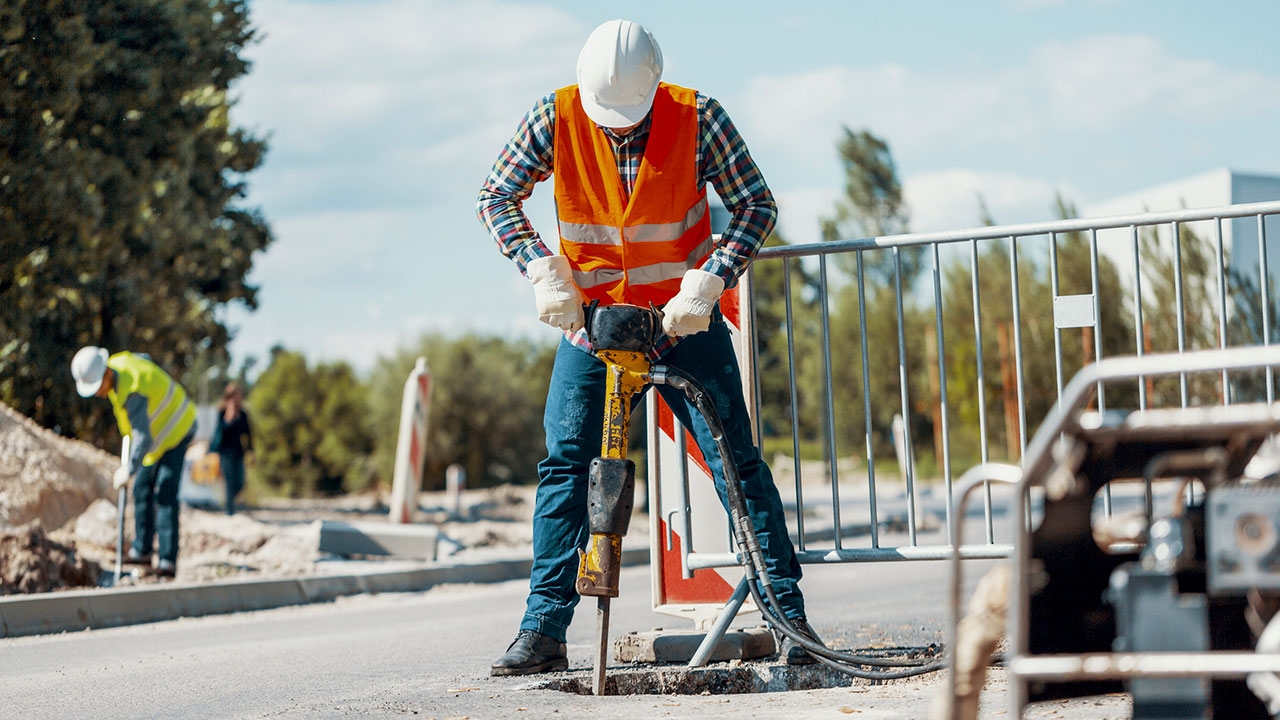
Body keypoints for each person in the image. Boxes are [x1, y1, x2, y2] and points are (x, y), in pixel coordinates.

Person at [476, 19, 821, 675]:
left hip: (681, 323)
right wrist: (539, 267)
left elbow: (756, 205)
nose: (616, 128)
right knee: (567, 469)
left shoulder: (699, 117)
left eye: (628, 118)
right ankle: (543, 630)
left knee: (736, 466)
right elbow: (496, 196)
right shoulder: (556, 116)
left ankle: (788, 618)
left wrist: (712, 279)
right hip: (594, 327)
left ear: (654, 89)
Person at [71, 346, 197, 578]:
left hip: (178, 428)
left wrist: (129, 467)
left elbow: (143, 436)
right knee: (141, 488)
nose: (98, 392)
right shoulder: (119, 366)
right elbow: (145, 359)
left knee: (165, 490)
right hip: (157, 440)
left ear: (107, 374)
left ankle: (168, 561)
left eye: (97, 386)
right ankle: (142, 551)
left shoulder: (132, 390)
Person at [211, 382, 253, 516]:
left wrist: (251, 451)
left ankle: (230, 504)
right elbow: (219, 433)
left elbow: (248, 434)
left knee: (240, 482)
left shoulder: (243, 414)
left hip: (238, 452)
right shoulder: (222, 413)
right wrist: (228, 418)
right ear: (229, 397)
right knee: (229, 482)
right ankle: (229, 511)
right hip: (225, 453)